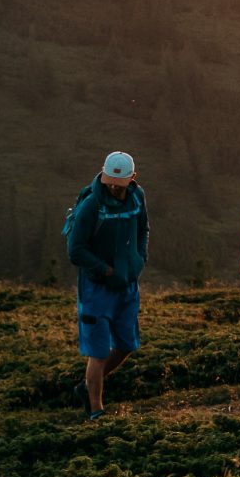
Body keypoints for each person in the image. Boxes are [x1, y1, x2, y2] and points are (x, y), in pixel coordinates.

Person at [65, 150, 148, 420]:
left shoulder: (137, 197)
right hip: (96, 289)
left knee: (126, 345)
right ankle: (96, 409)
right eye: (109, 180)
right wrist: (105, 270)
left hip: (126, 285)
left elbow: (144, 229)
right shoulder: (91, 205)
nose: (113, 186)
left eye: (119, 182)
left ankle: (86, 387)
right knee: (98, 352)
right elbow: (75, 249)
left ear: (131, 179)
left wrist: (139, 260)